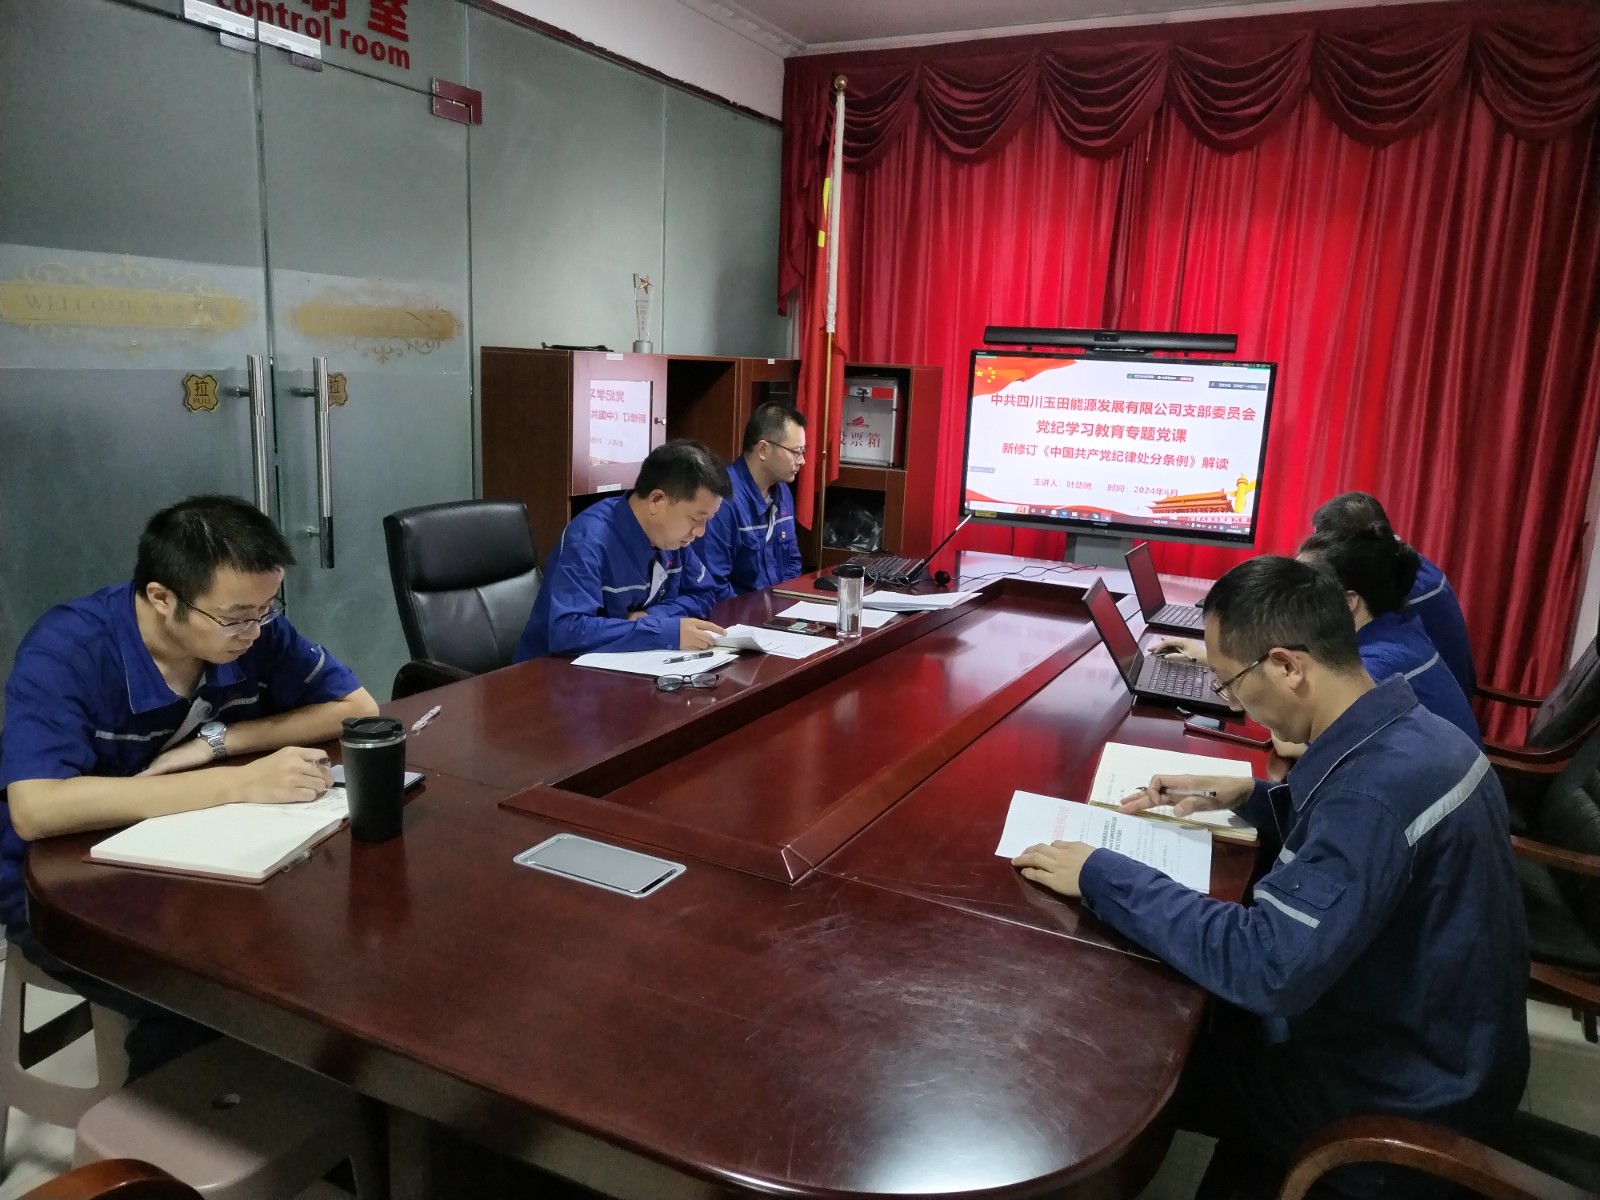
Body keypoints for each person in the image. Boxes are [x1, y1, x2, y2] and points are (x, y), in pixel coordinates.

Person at [1012, 556, 1528, 1199]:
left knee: (1119, 1058)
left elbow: (1265, 966)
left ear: (1288, 666)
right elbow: (1367, 856)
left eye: (1232, 684)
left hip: (1397, 1101)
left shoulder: (1370, 797)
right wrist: (1253, 798)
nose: (1235, 704)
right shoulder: (1414, 731)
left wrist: (1101, 873)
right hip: (1444, 1046)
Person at [0, 494, 379, 1076]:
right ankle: (170, 1127)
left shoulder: (252, 630)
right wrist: (236, 783)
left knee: (329, 943)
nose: (254, 630)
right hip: (62, 877)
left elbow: (355, 708)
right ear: (162, 597)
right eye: (235, 616)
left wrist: (218, 742)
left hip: (194, 851)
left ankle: (328, 1107)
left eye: (267, 609)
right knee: (198, 989)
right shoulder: (70, 649)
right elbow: (36, 808)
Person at [514, 438, 731, 660]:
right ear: (657, 500)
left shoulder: (673, 537)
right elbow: (569, 630)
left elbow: (704, 593)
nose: (700, 532)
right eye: (696, 518)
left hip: (625, 664)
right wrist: (662, 632)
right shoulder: (589, 539)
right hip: (550, 671)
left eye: (708, 520)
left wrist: (653, 617)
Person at [1312, 491, 1476, 697]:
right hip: (1437, 687)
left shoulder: (1394, 590)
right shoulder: (1407, 564)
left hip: (1420, 695)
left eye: (1322, 546)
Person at [698, 402, 806, 602]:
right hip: (737, 614)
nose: (802, 461)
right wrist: (758, 614)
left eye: (803, 451)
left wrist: (783, 606)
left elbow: (792, 562)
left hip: (776, 610)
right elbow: (714, 584)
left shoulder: (782, 491)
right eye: (796, 452)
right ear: (763, 450)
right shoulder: (722, 499)